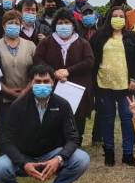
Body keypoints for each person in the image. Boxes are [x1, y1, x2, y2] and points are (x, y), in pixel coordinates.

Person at [0, 64, 91, 183]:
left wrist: (59, 158)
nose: (42, 85)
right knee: (0, 166)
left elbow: (73, 138)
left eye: (46, 81)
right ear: (31, 83)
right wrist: (23, 163)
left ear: (53, 83)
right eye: (38, 81)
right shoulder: (17, 106)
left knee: (82, 158)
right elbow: (5, 140)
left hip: (52, 154)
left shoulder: (63, 105)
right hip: (24, 155)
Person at [90, 6, 135, 166]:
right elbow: (92, 59)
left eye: (121, 16)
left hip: (126, 87)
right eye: (115, 15)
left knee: (127, 119)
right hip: (104, 85)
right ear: (109, 18)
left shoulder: (132, 37)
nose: (118, 18)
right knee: (107, 120)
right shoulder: (99, 37)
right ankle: (109, 153)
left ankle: (128, 154)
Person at [32, 8, 95, 138]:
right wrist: (53, 72)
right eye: (60, 23)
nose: (63, 26)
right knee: (55, 119)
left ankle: (76, 147)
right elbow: (37, 59)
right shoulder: (47, 42)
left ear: (73, 25)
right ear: (55, 25)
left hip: (78, 90)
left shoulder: (82, 42)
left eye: (67, 22)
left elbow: (89, 61)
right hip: (54, 88)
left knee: (77, 122)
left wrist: (68, 71)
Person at [0, 10, 37, 153]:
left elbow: (37, 71)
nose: (13, 26)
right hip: (4, 97)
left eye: (16, 23)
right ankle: (5, 158)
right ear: (4, 26)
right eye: (9, 23)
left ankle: (24, 158)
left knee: (26, 128)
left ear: (21, 25)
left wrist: (26, 90)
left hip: (28, 95)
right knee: (5, 130)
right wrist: (7, 90)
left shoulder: (30, 45)